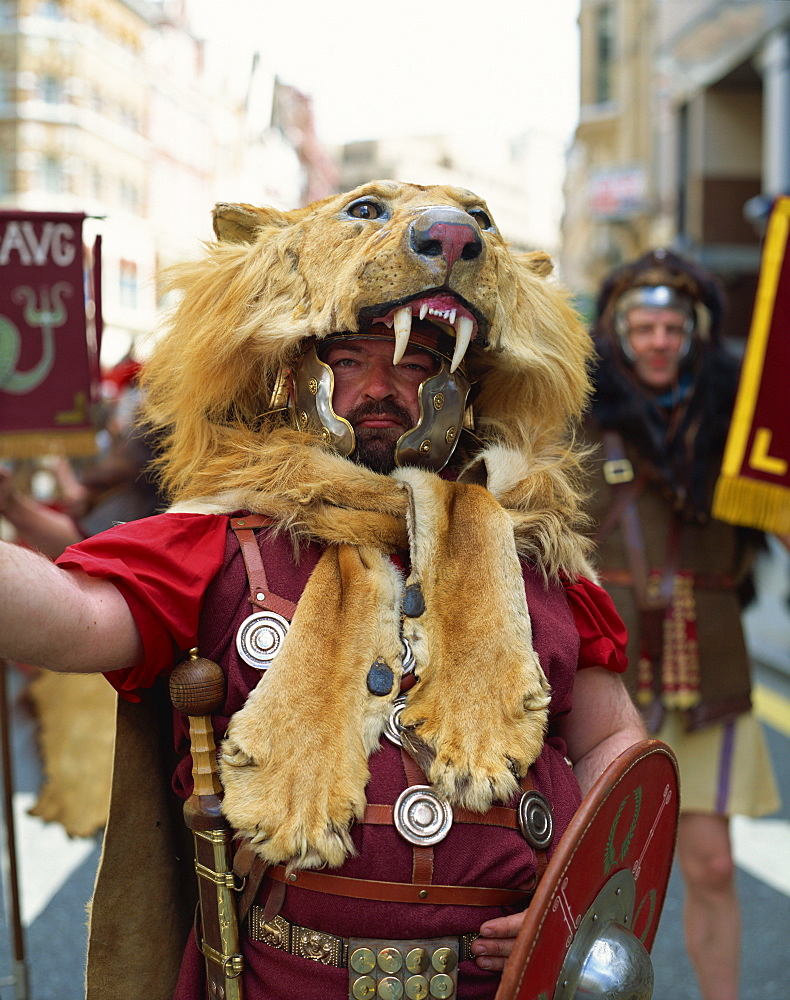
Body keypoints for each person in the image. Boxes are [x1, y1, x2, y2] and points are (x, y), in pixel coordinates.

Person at [0, 182, 646, 1000]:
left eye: (415, 364)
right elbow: (70, 617)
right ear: (299, 377)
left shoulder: (533, 558)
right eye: (350, 362)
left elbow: (610, 742)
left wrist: (574, 900)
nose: (382, 386)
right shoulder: (225, 540)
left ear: (462, 388)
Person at [584, 248, 781, 1000]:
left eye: (673, 326)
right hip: (605, 676)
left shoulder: (736, 434)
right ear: (620, 332)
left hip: (711, 665)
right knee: (587, 874)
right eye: (644, 326)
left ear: (693, 333)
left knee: (712, 865)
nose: (660, 340)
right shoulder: (575, 422)